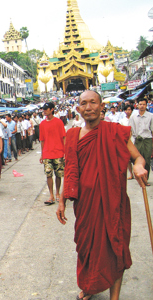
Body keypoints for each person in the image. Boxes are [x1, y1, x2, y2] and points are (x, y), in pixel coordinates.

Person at [57, 90, 148, 300]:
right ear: (78, 108)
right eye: (83, 103)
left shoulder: (115, 132)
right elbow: (70, 170)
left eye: (93, 103)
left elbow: (138, 158)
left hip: (113, 202)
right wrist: (61, 200)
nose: (88, 107)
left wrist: (138, 167)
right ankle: (90, 285)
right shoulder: (72, 136)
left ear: (101, 106)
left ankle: (114, 297)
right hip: (85, 205)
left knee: (116, 247)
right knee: (87, 248)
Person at [39, 102, 66, 205]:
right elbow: (42, 140)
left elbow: (64, 137)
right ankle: (51, 195)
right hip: (47, 153)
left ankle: (58, 193)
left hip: (58, 152)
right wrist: (42, 154)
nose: (44, 111)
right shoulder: (42, 124)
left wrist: (65, 152)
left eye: (46, 109)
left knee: (58, 174)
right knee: (48, 174)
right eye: (44, 109)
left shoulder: (59, 122)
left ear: (52, 109)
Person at [129, 98, 153, 184]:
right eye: (140, 104)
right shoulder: (133, 116)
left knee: (146, 159)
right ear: (137, 105)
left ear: (146, 106)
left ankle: (145, 179)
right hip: (137, 140)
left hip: (147, 139)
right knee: (137, 159)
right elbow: (130, 130)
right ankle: (140, 178)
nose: (142, 106)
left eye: (143, 104)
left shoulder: (150, 116)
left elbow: (152, 130)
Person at [120, 105, 135, 180]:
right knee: (128, 159)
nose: (127, 111)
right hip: (127, 140)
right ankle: (131, 173)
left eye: (129, 110)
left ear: (132, 110)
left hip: (135, 139)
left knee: (136, 157)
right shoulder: (122, 120)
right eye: (126, 110)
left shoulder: (135, 118)